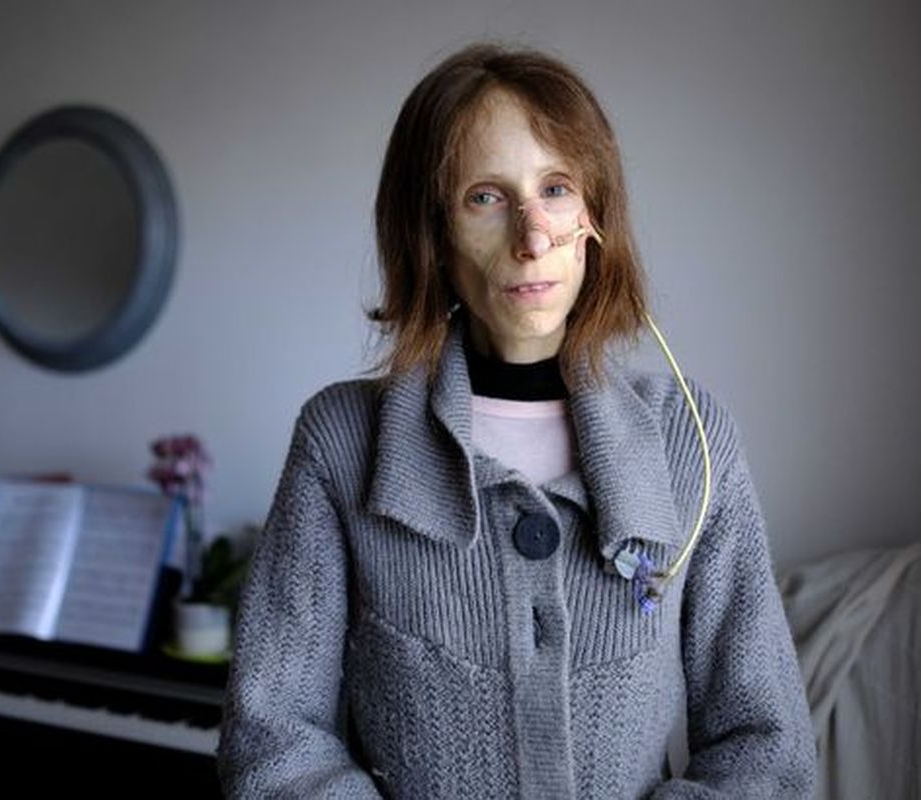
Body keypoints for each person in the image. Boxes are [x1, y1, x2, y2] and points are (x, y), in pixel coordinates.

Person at [217, 42, 816, 798]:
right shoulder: (341, 443)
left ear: (596, 218)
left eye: (557, 189)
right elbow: (273, 740)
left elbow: (766, 747)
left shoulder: (690, 440)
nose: (533, 239)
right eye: (486, 198)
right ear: (432, 232)